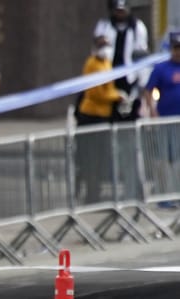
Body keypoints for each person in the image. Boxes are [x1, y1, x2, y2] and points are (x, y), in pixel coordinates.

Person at [75, 35, 122, 205]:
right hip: (90, 116)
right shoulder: (92, 64)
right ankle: (91, 195)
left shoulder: (106, 63)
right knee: (89, 157)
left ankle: (97, 193)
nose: (105, 49)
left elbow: (107, 88)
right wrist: (117, 96)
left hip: (103, 116)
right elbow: (97, 93)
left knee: (101, 157)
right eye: (102, 46)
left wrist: (115, 95)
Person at [94, 0, 151, 125]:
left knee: (131, 115)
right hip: (109, 76)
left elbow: (141, 56)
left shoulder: (137, 27)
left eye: (123, 11)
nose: (120, 14)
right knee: (110, 116)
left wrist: (142, 81)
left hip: (130, 78)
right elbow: (98, 50)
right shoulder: (104, 25)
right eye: (118, 11)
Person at [142, 32, 180, 203]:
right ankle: (165, 197)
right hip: (166, 119)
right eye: (176, 48)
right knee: (164, 159)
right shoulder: (161, 68)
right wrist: (152, 111)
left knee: (178, 160)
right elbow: (148, 90)